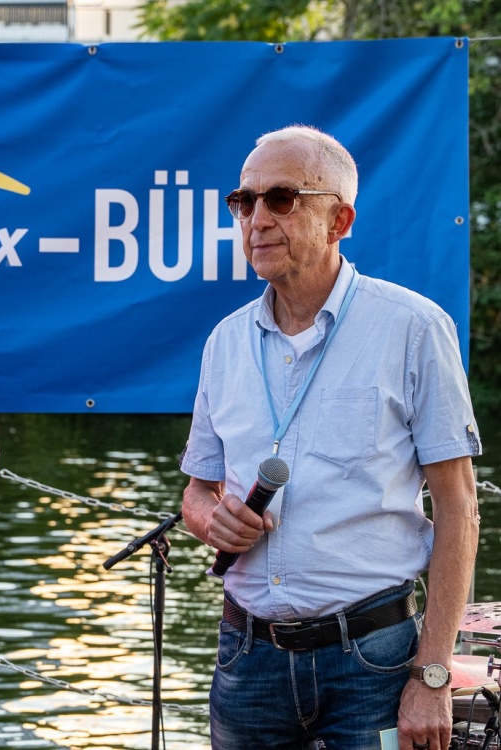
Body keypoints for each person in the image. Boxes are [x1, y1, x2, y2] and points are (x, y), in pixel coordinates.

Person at [180, 125, 481, 750]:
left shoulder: (414, 328)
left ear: (338, 220)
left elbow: (459, 509)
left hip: (374, 660)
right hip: (246, 657)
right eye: (245, 201)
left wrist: (431, 675)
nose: (257, 219)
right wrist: (213, 521)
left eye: (281, 198)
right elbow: (196, 492)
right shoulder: (224, 342)